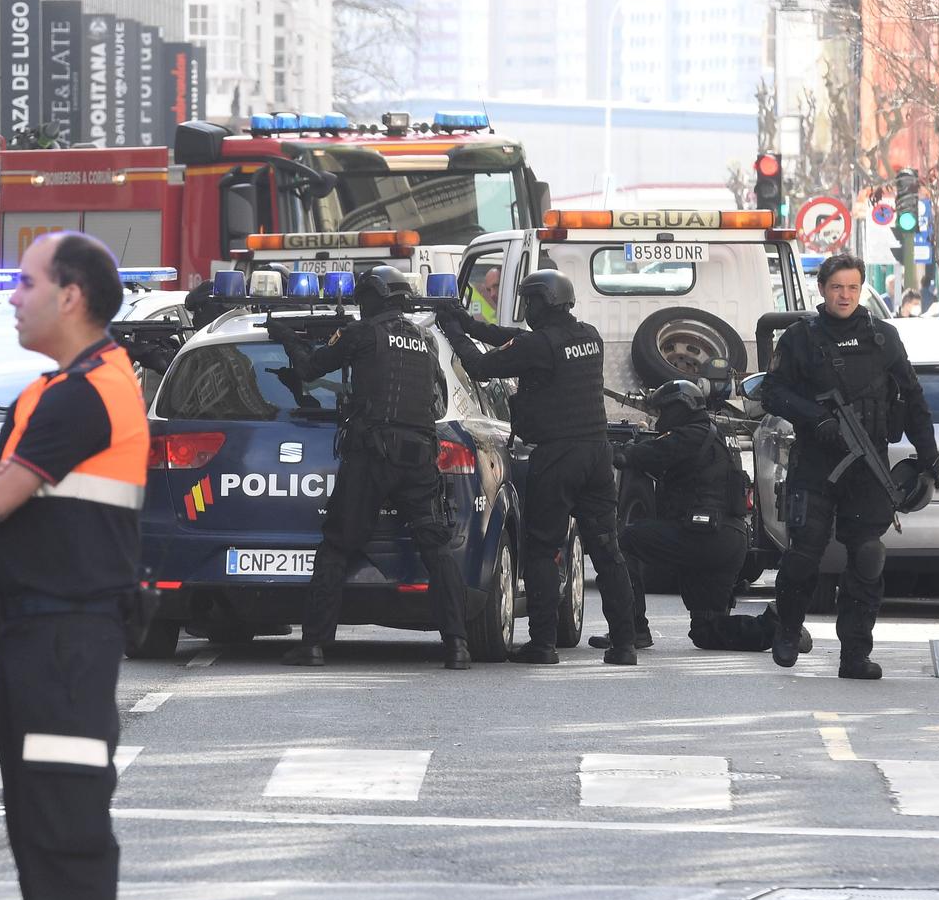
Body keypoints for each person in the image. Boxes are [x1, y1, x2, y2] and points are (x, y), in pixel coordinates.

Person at [0, 232, 148, 900]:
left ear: (70, 296)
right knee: (41, 816)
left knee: (63, 817)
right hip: (47, 628)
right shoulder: (67, 386)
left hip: (66, 631)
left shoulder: (80, 393)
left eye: (26, 283)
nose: (12, 297)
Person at [270, 265, 471, 670]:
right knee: (436, 548)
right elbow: (432, 397)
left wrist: (289, 340)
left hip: (373, 454)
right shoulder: (423, 341)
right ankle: (457, 646)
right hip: (419, 458)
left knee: (337, 543)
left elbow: (310, 369)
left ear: (373, 298)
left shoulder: (362, 334)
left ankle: (312, 644)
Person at [437, 268, 638, 665]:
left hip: (558, 456)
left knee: (543, 548)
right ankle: (625, 644)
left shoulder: (541, 345)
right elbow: (521, 342)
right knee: (608, 551)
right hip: (596, 454)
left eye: (529, 301)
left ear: (543, 302)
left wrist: (454, 332)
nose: (527, 308)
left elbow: (481, 367)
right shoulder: (589, 337)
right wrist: (471, 323)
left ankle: (543, 644)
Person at [761, 252, 939, 679]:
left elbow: (913, 398)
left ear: (862, 290)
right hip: (815, 463)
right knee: (803, 556)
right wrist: (814, 417)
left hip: (869, 464)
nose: (845, 295)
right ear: (822, 289)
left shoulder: (883, 337)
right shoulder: (800, 338)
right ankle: (786, 630)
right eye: (837, 287)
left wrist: (930, 455)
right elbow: (772, 393)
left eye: (853, 287)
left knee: (867, 556)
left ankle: (855, 654)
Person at [612, 380, 808, 656]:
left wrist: (616, 451)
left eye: (664, 412)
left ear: (681, 408)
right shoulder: (718, 433)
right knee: (706, 629)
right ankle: (778, 628)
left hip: (703, 537)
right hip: (729, 540)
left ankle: (632, 628)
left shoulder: (690, 435)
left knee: (626, 540)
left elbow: (644, 456)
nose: (660, 420)